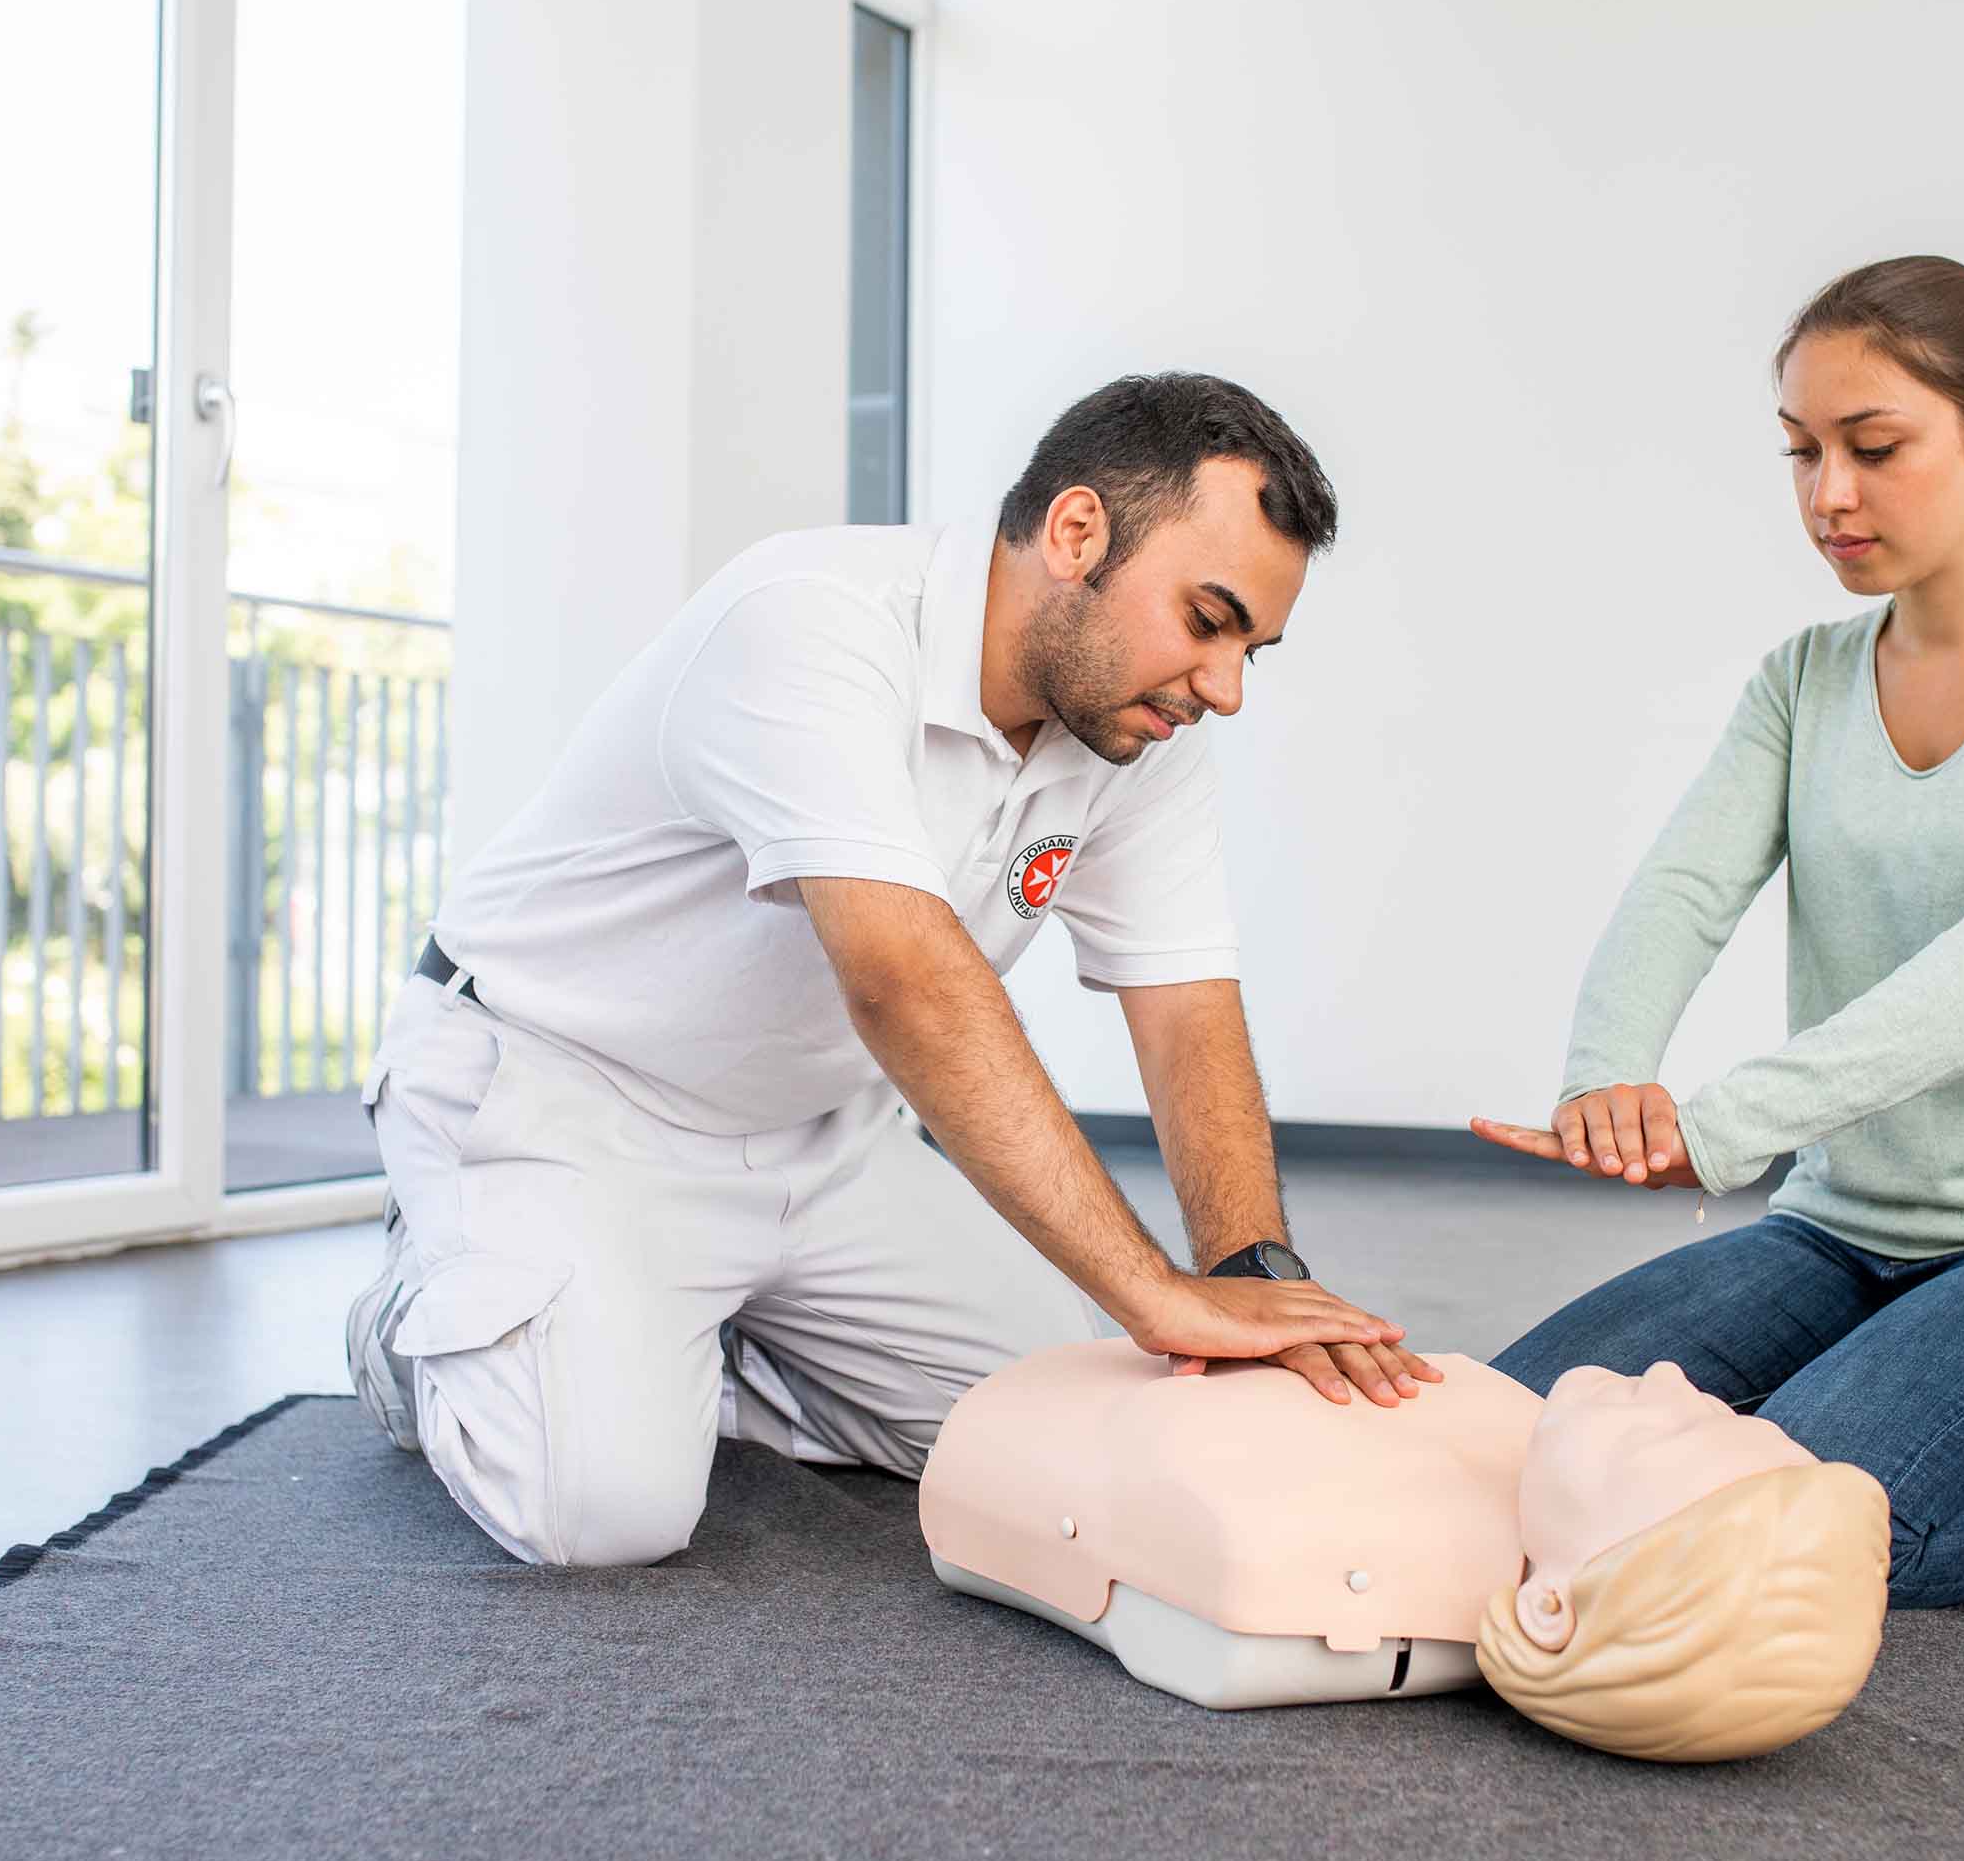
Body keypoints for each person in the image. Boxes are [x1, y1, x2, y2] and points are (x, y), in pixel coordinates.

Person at [350, 372, 1439, 1569]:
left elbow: (1186, 1010)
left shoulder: (1137, 729)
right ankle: (425, 1324)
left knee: (1050, 1439)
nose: (1225, 686)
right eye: (1208, 617)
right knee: (602, 1514)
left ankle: (660, 1345)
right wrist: (1156, 1294)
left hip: (821, 1133)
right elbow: (905, 981)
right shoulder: (807, 621)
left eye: (1253, 649)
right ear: (1079, 532)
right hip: (557, 1097)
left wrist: (1253, 1277)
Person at [1473, 256, 1964, 1609]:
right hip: (1842, 1227)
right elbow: (1682, 892)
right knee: (1488, 1445)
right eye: (1803, 453)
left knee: (1780, 1533)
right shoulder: (1806, 679)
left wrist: (1725, 1122)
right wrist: (1608, 1078)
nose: (1831, 496)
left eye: (1874, 449)